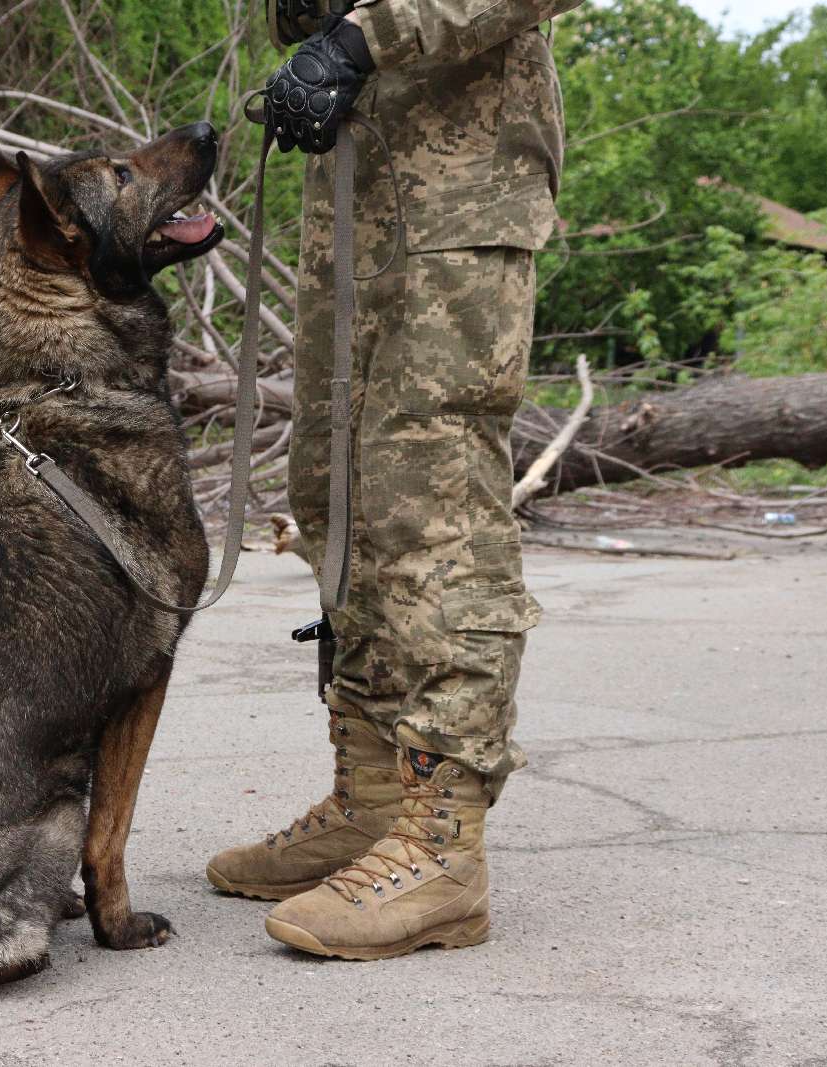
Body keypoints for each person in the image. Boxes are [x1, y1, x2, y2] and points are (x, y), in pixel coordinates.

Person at [205, 0, 584, 959]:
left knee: (433, 498)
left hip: (466, 196)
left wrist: (363, 40)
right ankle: (373, 798)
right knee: (334, 490)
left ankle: (443, 840)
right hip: (358, 196)